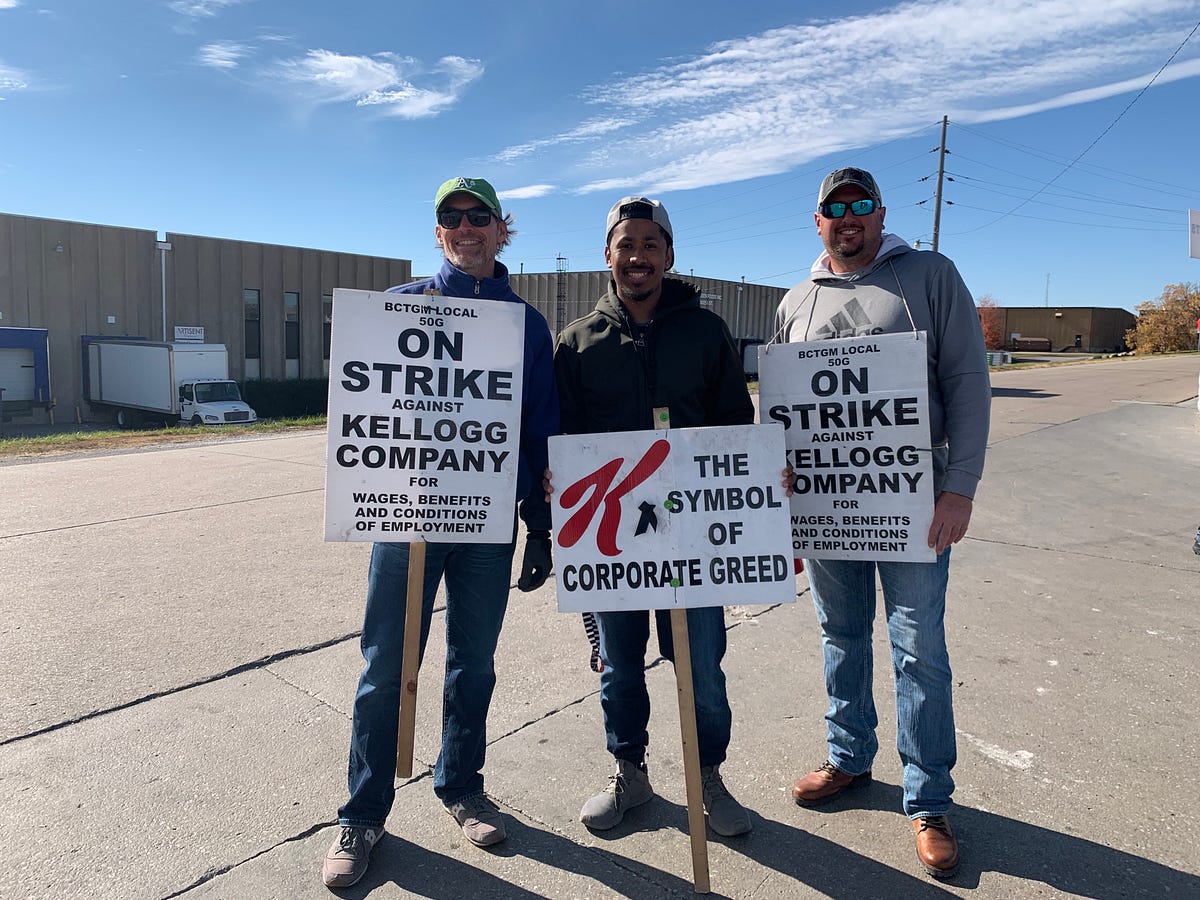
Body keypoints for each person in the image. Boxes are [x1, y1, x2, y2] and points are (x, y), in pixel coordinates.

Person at [322, 177, 559, 889]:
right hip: (405, 521)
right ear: (437, 233)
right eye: (451, 217)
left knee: (473, 664)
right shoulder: (396, 308)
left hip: (486, 525)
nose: (465, 227)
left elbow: (539, 429)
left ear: (500, 228)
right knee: (384, 668)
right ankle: (362, 813)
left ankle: (461, 786)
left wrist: (539, 525)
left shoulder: (526, 324)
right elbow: (361, 399)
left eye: (478, 216)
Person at [773, 167, 990, 879]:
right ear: (818, 222)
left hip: (913, 498)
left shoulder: (927, 274)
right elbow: (782, 411)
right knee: (839, 633)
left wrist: (958, 486)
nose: (849, 218)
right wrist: (784, 500)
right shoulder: (795, 302)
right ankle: (849, 759)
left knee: (917, 647)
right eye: (835, 208)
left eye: (860, 205)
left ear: (879, 213)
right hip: (829, 504)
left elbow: (965, 380)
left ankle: (929, 800)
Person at [552, 196, 755, 837]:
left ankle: (708, 777)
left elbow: (735, 429)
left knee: (700, 667)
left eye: (650, 245)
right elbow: (565, 440)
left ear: (668, 256)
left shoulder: (705, 333)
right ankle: (630, 773)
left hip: (692, 533)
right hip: (612, 540)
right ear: (607, 256)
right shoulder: (578, 342)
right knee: (617, 665)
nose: (637, 257)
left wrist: (758, 480)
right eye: (625, 245)